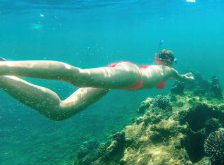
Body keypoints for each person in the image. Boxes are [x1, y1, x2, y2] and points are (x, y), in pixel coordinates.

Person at [0, 49, 193, 121]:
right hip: (131, 75)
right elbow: (181, 78)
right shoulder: (169, 71)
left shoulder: (161, 68)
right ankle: (5, 66)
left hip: (119, 81)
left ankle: (4, 78)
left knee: (60, 112)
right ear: (168, 61)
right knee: (79, 76)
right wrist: (188, 78)